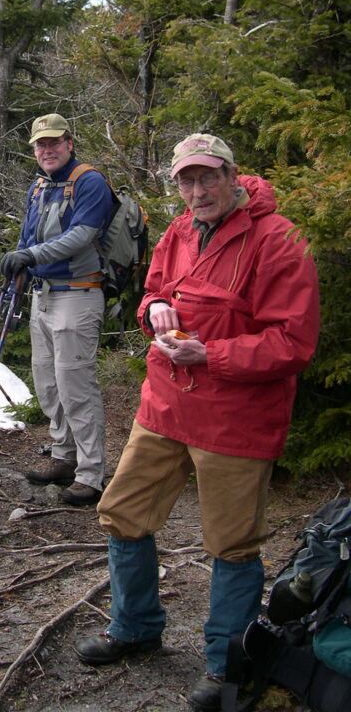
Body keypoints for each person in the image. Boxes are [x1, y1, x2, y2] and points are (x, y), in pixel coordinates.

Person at [74, 133, 321, 712]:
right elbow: (153, 294)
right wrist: (152, 309)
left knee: (233, 543)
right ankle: (135, 626)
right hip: (165, 403)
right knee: (123, 512)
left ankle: (224, 663)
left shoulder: (279, 239)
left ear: (233, 175)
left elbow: (293, 342)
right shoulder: (178, 232)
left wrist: (214, 354)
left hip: (238, 418)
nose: (197, 190)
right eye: (186, 180)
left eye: (208, 177)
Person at [0, 113, 113, 507]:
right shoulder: (40, 185)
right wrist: (19, 266)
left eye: (54, 142)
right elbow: (27, 235)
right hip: (43, 295)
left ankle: (91, 473)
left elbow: (81, 237)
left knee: (76, 387)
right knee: (48, 384)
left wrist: (29, 255)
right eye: (40, 144)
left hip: (78, 295)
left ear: (69, 143)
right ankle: (64, 456)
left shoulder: (90, 182)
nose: (47, 150)